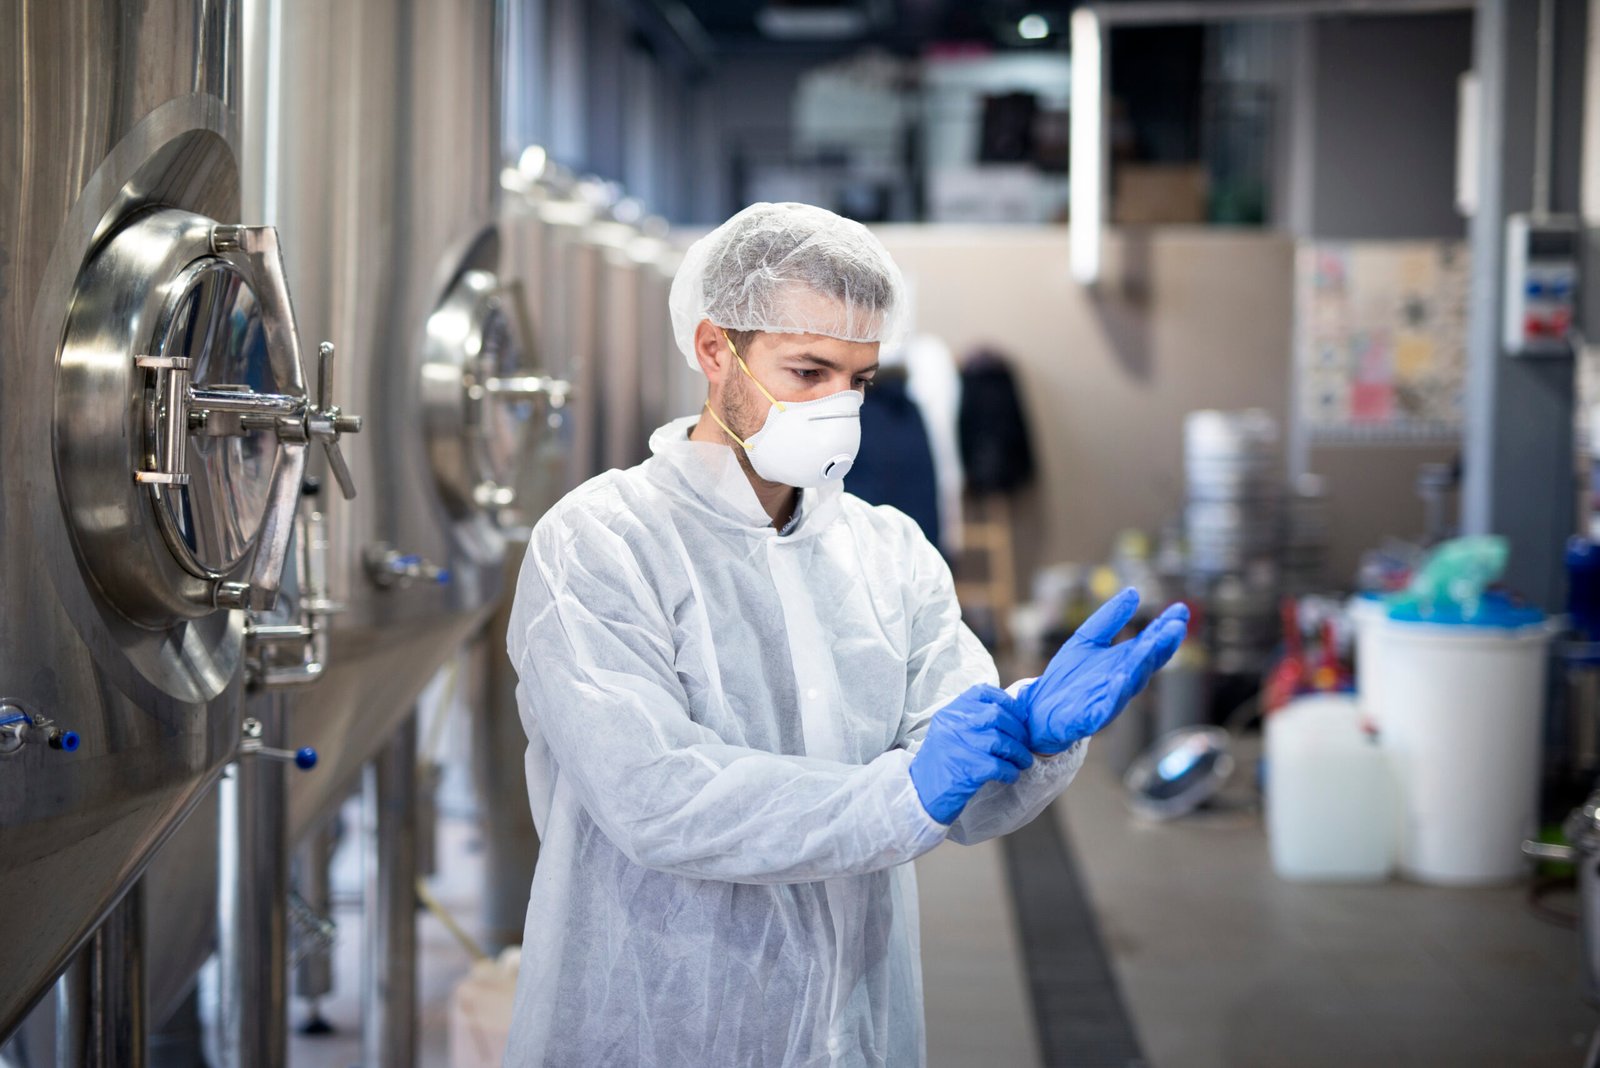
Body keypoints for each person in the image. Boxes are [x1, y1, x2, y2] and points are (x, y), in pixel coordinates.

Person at [503, 202, 1188, 1066]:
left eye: (858, 380)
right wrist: (900, 795)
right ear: (717, 352)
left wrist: (1029, 735)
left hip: (851, 1028)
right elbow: (658, 798)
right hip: (657, 1020)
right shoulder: (601, 542)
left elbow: (957, 791)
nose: (839, 407)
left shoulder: (888, 551)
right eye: (808, 371)